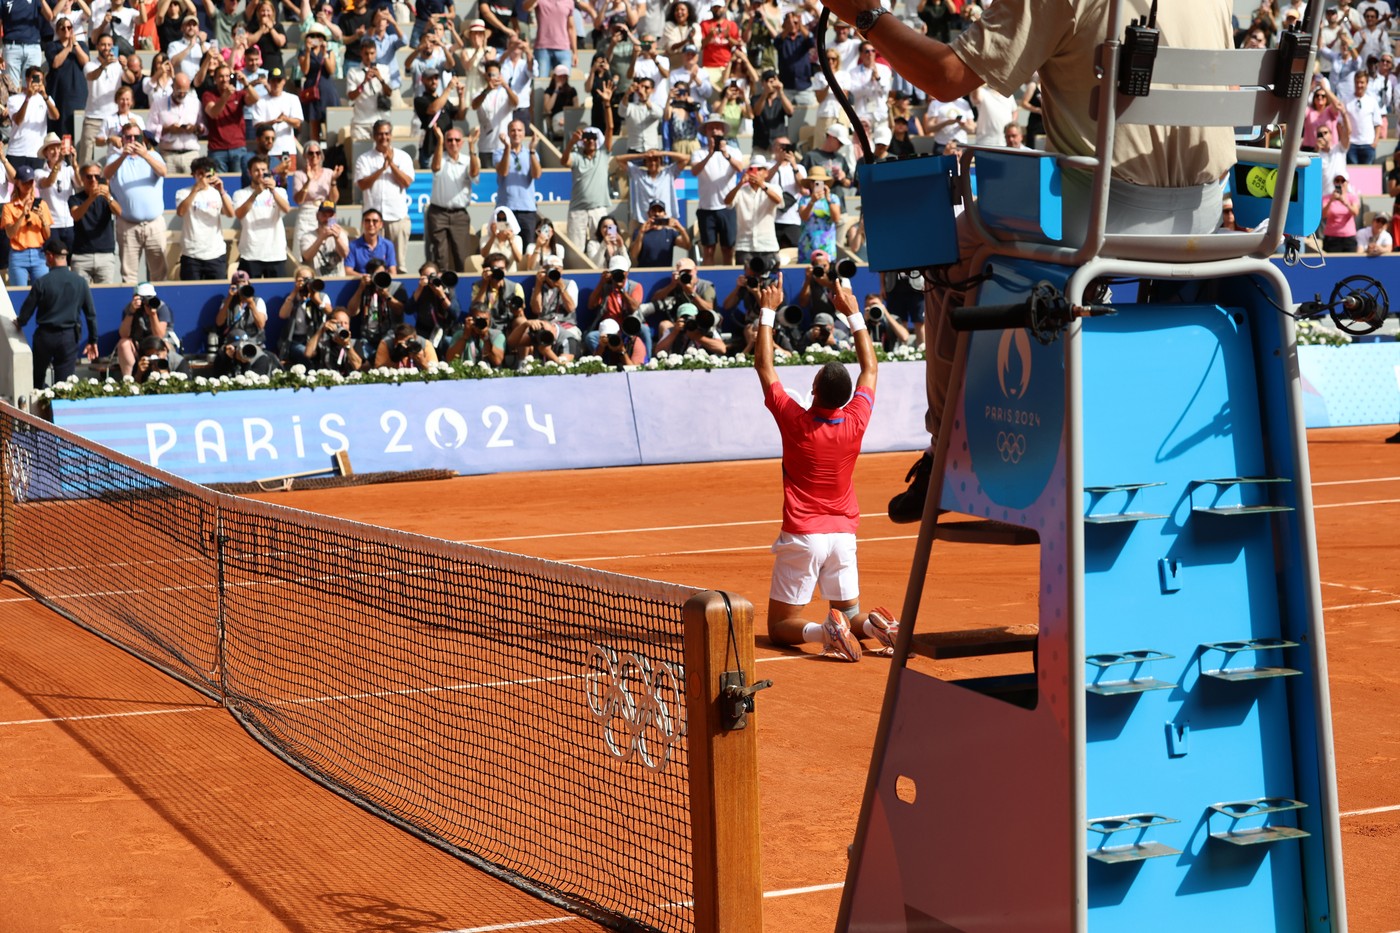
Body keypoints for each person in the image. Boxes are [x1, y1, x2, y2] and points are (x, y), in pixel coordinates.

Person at [827, 0, 1240, 521]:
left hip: (1100, 216)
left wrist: (863, 16)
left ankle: (946, 449)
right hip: (1201, 215)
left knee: (946, 253)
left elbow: (947, 77)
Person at [752, 276, 897, 660]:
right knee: (850, 612)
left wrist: (768, 309)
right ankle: (874, 626)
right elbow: (871, 368)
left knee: (779, 628)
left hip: (803, 535)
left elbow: (764, 365)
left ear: (814, 389)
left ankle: (824, 631)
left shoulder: (794, 420)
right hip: (843, 535)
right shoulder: (856, 419)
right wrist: (854, 316)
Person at [16, 238, 99, 389]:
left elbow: (26, 312)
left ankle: (38, 412)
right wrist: (93, 340)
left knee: (37, 381)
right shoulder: (80, 282)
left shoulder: (42, 282)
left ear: (49, 256)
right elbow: (90, 314)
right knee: (64, 385)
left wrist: (19, 322)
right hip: (68, 337)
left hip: (45, 337)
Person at [354, 119, 415, 264]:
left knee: (398, 264)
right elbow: (362, 185)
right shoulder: (364, 159)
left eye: (387, 134)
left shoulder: (403, 157)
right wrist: (382, 169)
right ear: (374, 136)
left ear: (391, 135)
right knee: (374, 265)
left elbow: (407, 182)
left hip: (397, 217)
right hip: (373, 221)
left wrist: (391, 165)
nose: (384, 138)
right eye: (380, 134)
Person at [690, 117, 744, 264]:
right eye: (710, 128)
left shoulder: (733, 151)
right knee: (708, 249)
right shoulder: (699, 153)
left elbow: (740, 168)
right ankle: (709, 278)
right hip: (706, 208)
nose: (714, 130)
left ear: (723, 131)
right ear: (706, 132)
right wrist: (710, 153)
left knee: (728, 249)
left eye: (718, 127)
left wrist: (725, 154)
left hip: (727, 207)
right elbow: (694, 171)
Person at [427, 125, 480, 272]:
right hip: (438, 213)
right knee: (440, 257)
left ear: (462, 142)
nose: (453, 143)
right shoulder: (439, 156)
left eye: (457, 140)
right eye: (449, 140)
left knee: (461, 257)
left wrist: (472, 147)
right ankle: (441, 291)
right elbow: (436, 168)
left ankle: (460, 292)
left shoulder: (469, 159)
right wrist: (439, 141)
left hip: (459, 215)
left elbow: (475, 174)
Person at [175, 156, 234, 281]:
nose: (204, 177)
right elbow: (180, 212)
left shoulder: (218, 193)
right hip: (191, 254)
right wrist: (196, 189)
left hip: (216, 254)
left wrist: (222, 191)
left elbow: (230, 214)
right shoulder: (183, 192)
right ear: (193, 175)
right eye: (200, 173)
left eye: (208, 173)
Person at [232, 155, 290, 278]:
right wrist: (255, 194)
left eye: (263, 170)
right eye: (256, 170)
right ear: (249, 172)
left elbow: (286, 209)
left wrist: (273, 191)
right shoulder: (240, 194)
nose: (260, 173)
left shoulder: (280, 191)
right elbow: (239, 214)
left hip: (275, 253)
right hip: (250, 254)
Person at [561, 126, 616, 249]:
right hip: (577, 211)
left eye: (593, 138)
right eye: (587, 138)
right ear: (582, 140)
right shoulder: (576, 156)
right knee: (576, 249)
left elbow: (610, 128)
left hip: (600, 209)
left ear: (597, 140)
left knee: (606, 245)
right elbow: (564, 161)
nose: (590, 141)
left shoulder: (603, 154)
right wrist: (572, 142)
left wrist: (607, 106)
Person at [725, 153, 781, 271]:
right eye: (752, 169)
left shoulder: (773, 188)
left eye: (759, 169)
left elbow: (778, 201)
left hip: (767, 245)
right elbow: (727, 202)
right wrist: (740, 183)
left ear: (766, 173)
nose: (755, 172)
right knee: (747, 281)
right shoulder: (741, 191)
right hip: (745, 246)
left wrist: (762, 186)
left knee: (770, 280)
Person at [69, 162, 122, 284]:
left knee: (106, 296)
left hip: (105, 255)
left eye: (97, 176)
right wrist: (91, 198)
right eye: (89, 176)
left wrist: (108, 196)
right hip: (81, 256)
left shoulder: (107, 197)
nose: (93, 180)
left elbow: (119, 212)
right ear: (82, 178)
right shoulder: (75, 199)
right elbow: (76, 215)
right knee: (81, 297)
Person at [203, 64, 261, 174]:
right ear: (215, 79)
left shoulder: (239, 94)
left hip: (238, 147)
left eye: (227, 76)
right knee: (217, 183)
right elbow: (213, 113)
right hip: (217, 150)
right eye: (220, 76)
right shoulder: (208, 95)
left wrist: (246, 82)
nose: (224, 79)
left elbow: (255, 98)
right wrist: (225, 96)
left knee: (239, 183)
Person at [495, 119, 543, 245]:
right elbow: (503, 172)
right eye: (513, 130)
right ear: (508, 133)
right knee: (503, 244)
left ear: (524, 133)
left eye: (519, 130)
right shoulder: (499, 153)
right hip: (504, 210)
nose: (516, 133)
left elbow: (537, 175)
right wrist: (507, 148)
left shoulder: (531, 153)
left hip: (527, 210)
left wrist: (532, 150)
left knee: (528, 246)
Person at [4, 165, 53, 285]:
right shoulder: (9, 207)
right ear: (17, 183)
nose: (28, 185)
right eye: (25, 182)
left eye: (31, 182)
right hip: (18, 255)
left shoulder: (42, 204)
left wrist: (42, 219)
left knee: (43, 293)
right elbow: (10, 234)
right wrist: (21, 216)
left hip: (39, 255)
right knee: (19, 294)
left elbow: (47, 236)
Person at [114, 281, 175, 376]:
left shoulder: (161, 307)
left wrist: (153, 314)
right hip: (139, 346)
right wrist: (131, 312)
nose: (147, 301)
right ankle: (128, 380)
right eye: (144, 298)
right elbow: (123, 334)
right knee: (123, 343)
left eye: (150, 297)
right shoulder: (130, 308)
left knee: (164, 345)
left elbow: (159, 336)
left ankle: (166, 378)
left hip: (159, 346)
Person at [277, 265, 335, 363]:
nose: (306, 282)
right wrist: (295, 292)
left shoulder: (321, 296)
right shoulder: (293, 297)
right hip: (297, 339)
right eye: (303, 279)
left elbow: (330, 312)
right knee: (307, 354)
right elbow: (283, 315)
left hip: (318, 337)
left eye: (309, 279)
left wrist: (316, 299)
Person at [37, 135, 78, 254]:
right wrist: (58, 163)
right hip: (52, 224)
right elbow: (48, 182)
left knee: (71, 260)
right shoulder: (39, 172)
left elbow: (80, 184)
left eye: (58, 148)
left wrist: (75, 163)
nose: (56, 152)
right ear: (46, 153)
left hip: (69, 222)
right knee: (53, 259)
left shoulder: (68, 170)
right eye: (52, 149)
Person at [796, 165, 842, 262]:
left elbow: (837, 218)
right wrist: (812, 201)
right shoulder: (804, 199)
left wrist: (828, 199)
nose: (817, 184)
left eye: (820, 182)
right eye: (814, 181)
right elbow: (804, 217)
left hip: (827, 248)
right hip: (807, 248)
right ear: (810, 184)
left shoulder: (833, 198)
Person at [299, 199, 351, 276]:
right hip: (317, 282)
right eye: (324, 215)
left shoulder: (341, 234)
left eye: (330, 216)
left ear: (335, 217)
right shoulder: (307, 237)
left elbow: (345, 255)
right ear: (317, 216)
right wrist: (321, 238)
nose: (327, 219)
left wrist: (337, 238)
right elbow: (306, 258)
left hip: (337, 280)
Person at [305, 308, 365, 374]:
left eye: (346, 323)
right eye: (339, 323)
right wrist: (321, 330)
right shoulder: (323, 342)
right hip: (327, 379)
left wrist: (347, 345)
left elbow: (358, 366)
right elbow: (308, 354)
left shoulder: (355, 343)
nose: (342, 326)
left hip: (348, 381)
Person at [346, 207, 398, 274]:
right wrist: (364, 278)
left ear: (381, 224)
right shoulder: (353, 246)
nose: (371, 224)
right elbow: (348, 271)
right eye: (367, 221)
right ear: (363, 223)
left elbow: (392, 271)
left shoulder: (388, 245)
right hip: (360, 283)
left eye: (375, 221)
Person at [1322, 172, 1361, 252]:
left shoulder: (1352, 197)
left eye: (1342, 181)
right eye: (1337, 180)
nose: (1340, 183)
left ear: (1347, 183)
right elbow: (1324, 215)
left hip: (1349, 237)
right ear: (1334, 183)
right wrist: (1331, 201)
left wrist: (1345, 202)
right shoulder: (1326, 198)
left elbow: (1355, 212)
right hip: (1331, 238)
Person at [374, 322, 439, 369]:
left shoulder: (425, 344)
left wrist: (422, 361)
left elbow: (434, 372)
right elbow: (379, 370)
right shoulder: (386, 344)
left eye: (409, 342)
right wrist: (396, 357)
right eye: (404, 343)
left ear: (415, 338)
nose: (407, 346)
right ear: (395, 340)